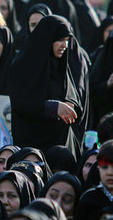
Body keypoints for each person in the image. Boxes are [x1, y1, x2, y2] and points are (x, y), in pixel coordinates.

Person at [9, 15, 81, 158]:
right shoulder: (22, 66)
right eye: (60, 40)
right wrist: (52, 107)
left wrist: (69, 105)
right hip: (32, 146)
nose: (64, 45)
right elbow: (20, 103)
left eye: (67, 41)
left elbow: (75, 99)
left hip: (61, 145)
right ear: (48, 38)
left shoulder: (61, 67)